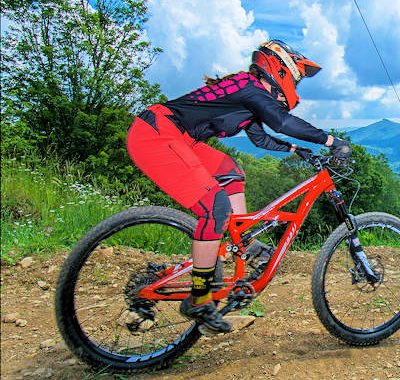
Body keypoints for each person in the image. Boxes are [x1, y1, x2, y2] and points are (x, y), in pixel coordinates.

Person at [126, 39, 351, 334]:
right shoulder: (250, 88)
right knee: (215, 206)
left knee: (232, 172)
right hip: (157, 133)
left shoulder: (248, 95)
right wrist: (332, 141)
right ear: (279, 67)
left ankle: (243, 242)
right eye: (296, 77)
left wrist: (297, 150)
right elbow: (282, 122)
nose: (295, 86)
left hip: (178, 138)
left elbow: (261, 138)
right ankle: (200, 298)